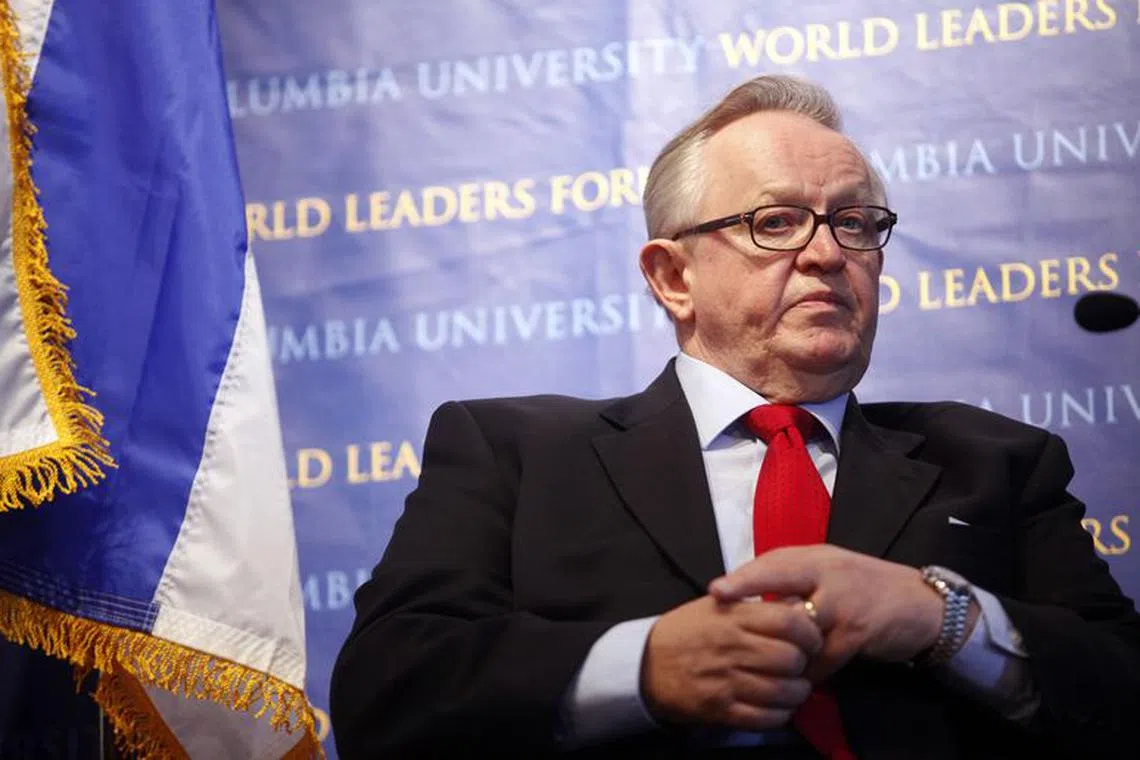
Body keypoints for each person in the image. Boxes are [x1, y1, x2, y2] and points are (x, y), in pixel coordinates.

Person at [329, 75, 1140, 759]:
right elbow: (387, 693)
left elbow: (1123, 688)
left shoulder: (996, 458)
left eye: (854, 223)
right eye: (776, 222)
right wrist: (641, 667)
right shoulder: (516, 452)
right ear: (672, 276)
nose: (828, 254)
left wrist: (943, 619)